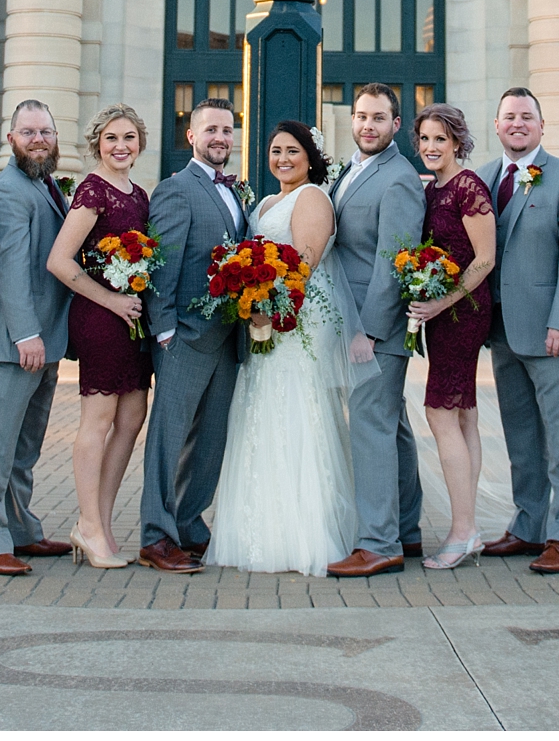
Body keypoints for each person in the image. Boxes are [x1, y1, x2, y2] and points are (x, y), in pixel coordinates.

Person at [203, 120, 357, 575]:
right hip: (265, 316)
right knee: (261, 409)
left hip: (300, 320)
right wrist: (252, 303)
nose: (283, 159)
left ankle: (306, 534)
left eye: (292, 150)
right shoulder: (267, 202)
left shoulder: (312, 198)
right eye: (275, 151)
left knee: (296, 409)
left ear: (310, 157)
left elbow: (304, 264)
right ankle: (259, 530)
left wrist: (269, 309)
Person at [475, 88, 559, 575]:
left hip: (552, 332)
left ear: (542, 126)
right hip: (501, 329)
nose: (518, 124)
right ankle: (527, 526)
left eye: (527, 116)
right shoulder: (483, 177)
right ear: (497, 126)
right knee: (521, 435)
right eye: (509, 116)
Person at [135, 99, 247, 573]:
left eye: (227, 129)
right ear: (192, 136)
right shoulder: (176, 189)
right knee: (169, 437)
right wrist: (164, 331)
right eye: (211, 129)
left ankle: (188, 523)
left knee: (210, 440)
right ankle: (156, 536)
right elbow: (163, 263)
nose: (220, 137)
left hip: (227, 337)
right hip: (183, 336)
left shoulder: (235, 191)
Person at [0, 100, 75, 576]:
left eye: (45, 131)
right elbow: (7, 269)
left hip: (44, 341)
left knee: (24, 448)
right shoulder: (7, 192)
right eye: (28, 132)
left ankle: (20, 529)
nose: (38, 140)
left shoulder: (46, 186)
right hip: (13, 343)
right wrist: (26, 334)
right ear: (10, 139)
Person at [324, 85, 431, 578]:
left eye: (379, 118)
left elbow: (393, 262)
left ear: (395, 124)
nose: (368, 125)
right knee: (391, 426)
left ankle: (378, 543)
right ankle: (405, 528)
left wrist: (368, 331)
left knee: (371, 428)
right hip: (351, 320)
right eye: (362, 116)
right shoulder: (352, 169)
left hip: (374, 327)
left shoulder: (400, 178)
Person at [45, 103, 155, 568]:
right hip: (101, 316)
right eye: (111, 138)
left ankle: (101, 523)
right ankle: (89, 526)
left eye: (128, 137)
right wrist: (110, 300)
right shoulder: (93, 190)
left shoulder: (140, 194)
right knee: (99, 418)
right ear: (97, 144)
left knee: (132, 418)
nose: (120, 146)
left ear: (140, 143)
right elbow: (59, 260)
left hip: (133, 319)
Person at [406, 102, 495, 571]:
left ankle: (462, 532)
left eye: (440, 138)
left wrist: (442, 302)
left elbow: (485, 259)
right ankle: (469, 527)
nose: (431, 146)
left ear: (458, 141)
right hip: (443, 313)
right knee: (462, 417)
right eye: (424, 139)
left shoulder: (468, 187)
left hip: (464, 312)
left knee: (441, 413)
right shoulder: (432, 189)